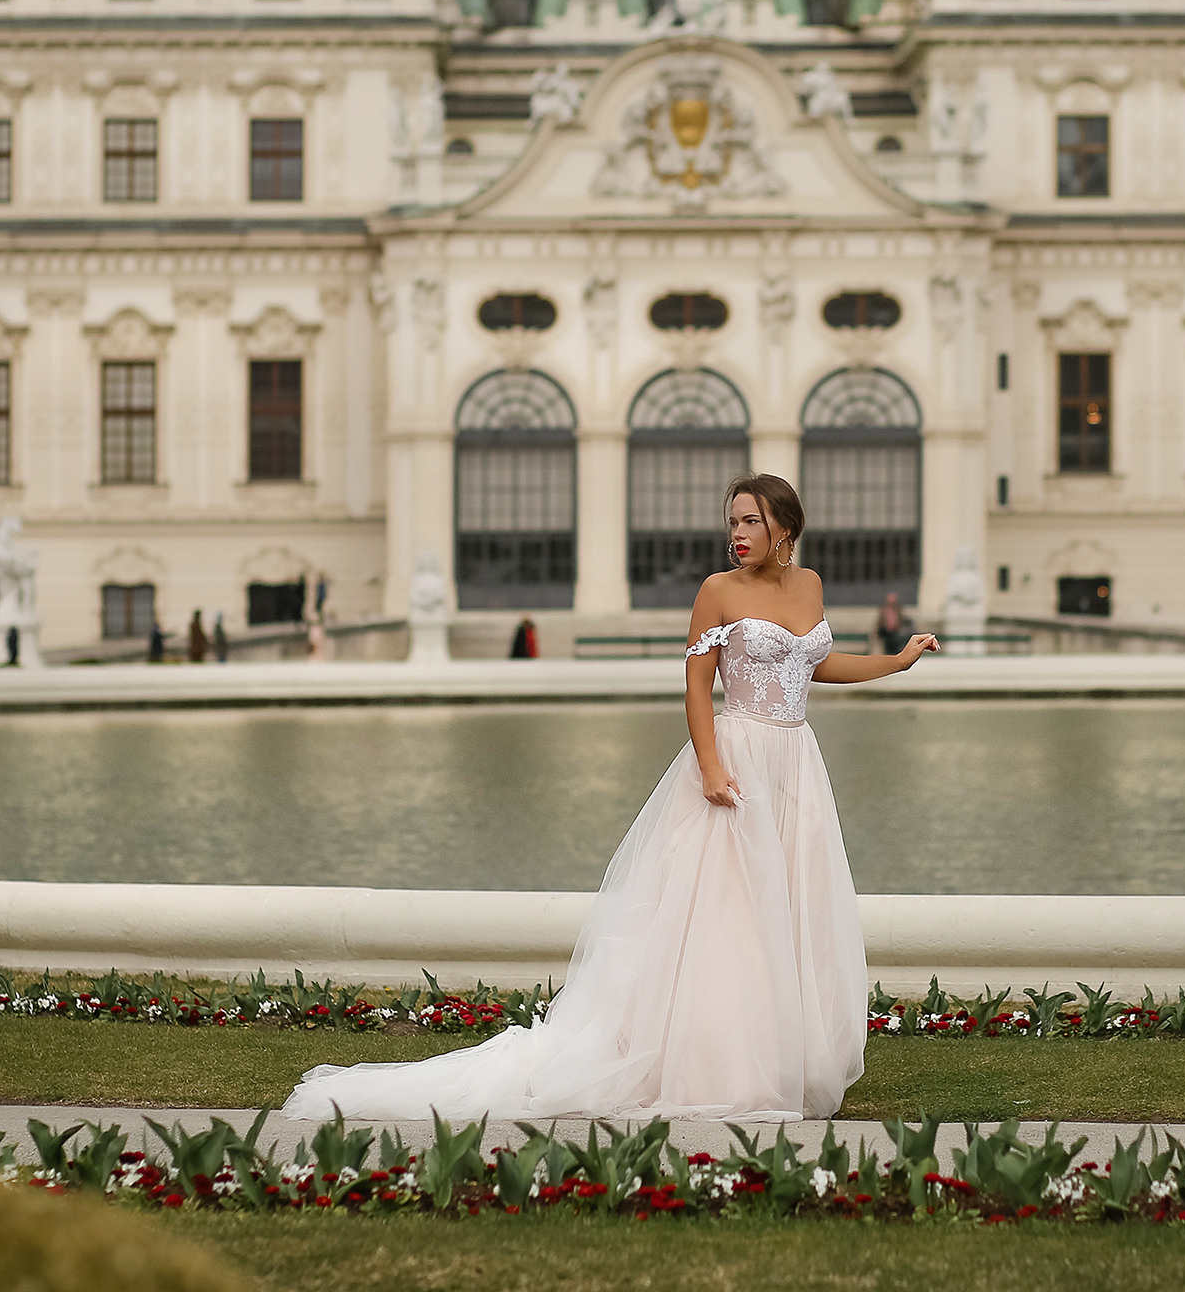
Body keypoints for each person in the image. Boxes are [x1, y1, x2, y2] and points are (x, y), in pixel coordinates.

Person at [284, 472, 938, 1122]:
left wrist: (897, 661)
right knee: (724, 919)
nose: (737, 535)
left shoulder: (809, 586)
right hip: (736, 760)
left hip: (796, 765)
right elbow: (695, 685)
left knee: (789, 910)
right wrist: (710, 766)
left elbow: (814, 665)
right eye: (732, 521)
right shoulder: (716, 592)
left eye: (750, 522)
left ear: (784, 529)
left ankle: (783, 1057)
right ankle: (720, 1068)